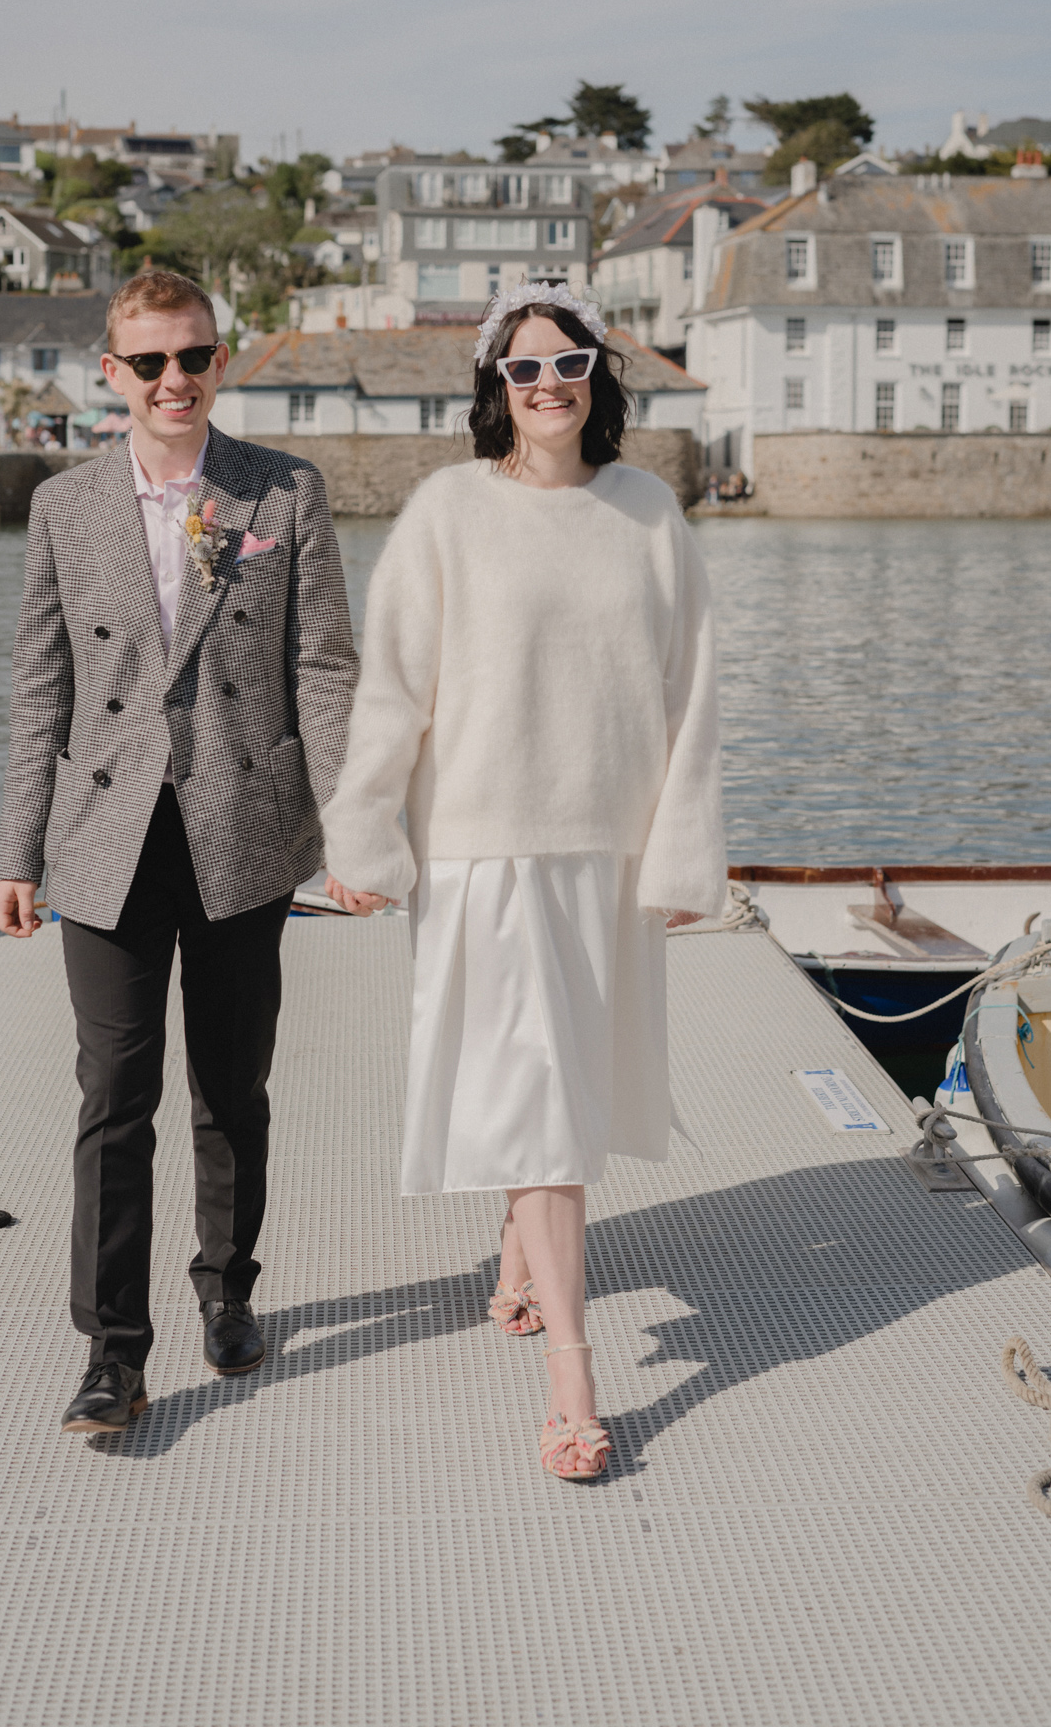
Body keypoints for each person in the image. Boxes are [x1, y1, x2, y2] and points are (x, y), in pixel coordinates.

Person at [322, 281, 725, 1481]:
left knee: (563, 1078)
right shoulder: (447, 511)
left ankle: (515, 1251)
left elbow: (690, 695)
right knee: (540, 1091)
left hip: (602, 846)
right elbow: (392, 688)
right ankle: (573, 1371)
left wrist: (683, 846)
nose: (548, 385)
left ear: (600, 376)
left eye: (570, 364)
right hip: (481, 850)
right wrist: (365, 837)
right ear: (492, 388)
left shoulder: (650, 511)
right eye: (524, 369)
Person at [0, 269, 358, 1434]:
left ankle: (228, 1286)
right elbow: (40, 689)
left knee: (232, 1085)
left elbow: (323, 669)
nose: (173, 380)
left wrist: (349, 823)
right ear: (112, 373)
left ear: (219, 359)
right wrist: (18, 849)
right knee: (114, 1094)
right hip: (105, 835)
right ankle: (111, 1348)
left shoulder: (281, 493)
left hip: (243, 826)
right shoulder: (61, 505)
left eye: (192, 357)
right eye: (148, 362)